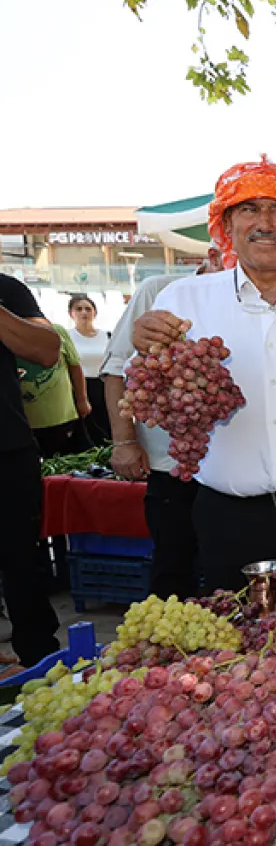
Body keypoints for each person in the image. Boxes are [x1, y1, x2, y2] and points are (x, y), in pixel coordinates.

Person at [130, 156, 276, 591]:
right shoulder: (183, 299)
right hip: (227, 519)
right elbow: (148, 391)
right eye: (249, 209)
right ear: (227, 225)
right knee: (236, 649)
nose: (265, 223)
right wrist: (142, 340)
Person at [102, 272, 199, 599]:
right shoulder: (158, 291)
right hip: (170, 467)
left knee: (225, 575)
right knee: (173, 569)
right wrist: (124, 441)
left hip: (232, 470)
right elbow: (116, 368)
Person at [0, 273, 64, 667]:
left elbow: (46, 350)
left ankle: (40, 666)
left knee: (22, 563)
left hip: (7, 451)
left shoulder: (7, 290)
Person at [19, 323, 92, 458]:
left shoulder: (56, 331)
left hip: (64, 416)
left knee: (76, 462)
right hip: (26, 422)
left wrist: (82, 399)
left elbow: (75, 366)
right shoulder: (8, 335)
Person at [66, 294, 111, 444]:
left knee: (107, 430)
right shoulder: (67, 337)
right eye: (78, 309)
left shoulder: (108, 336)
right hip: (79, 389)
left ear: (94, 313)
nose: (84, 312)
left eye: (88, 309)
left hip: (104, 387)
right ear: (71, 313)